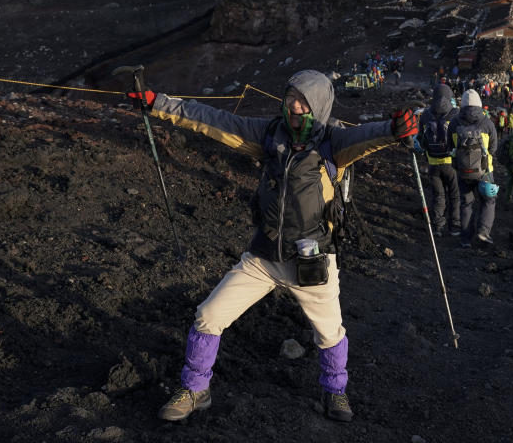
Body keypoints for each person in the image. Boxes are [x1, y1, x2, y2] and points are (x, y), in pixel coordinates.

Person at [132, 70, 418, 424]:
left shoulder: (333, 143)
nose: (295, 107)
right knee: (208, 316)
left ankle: (335, 393)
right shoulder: (269, 135)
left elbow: (370, 135)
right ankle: (195, 389)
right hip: (263, 257)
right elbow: (214, 120)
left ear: (319, 106)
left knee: (330, 333)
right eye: (291, 98)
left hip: (312, 262)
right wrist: (158, 103)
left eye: (303, 101)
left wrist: (396, 130)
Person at [451, 89, 498, 246]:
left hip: (463, 171)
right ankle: (483, 231)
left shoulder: (454, 122)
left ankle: (466, 239)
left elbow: (450, 145)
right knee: (488, 200)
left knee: (466, 203)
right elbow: (493, 148)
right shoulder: (487, 123)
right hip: (484, 171)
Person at [417, 83, 461, 237]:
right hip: (451, 162)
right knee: (455, 195)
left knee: (438, 195)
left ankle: (438, 226)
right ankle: (455, 226)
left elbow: (420, 138)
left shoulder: (426, 115)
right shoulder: (455, 113)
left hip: (433, 163)